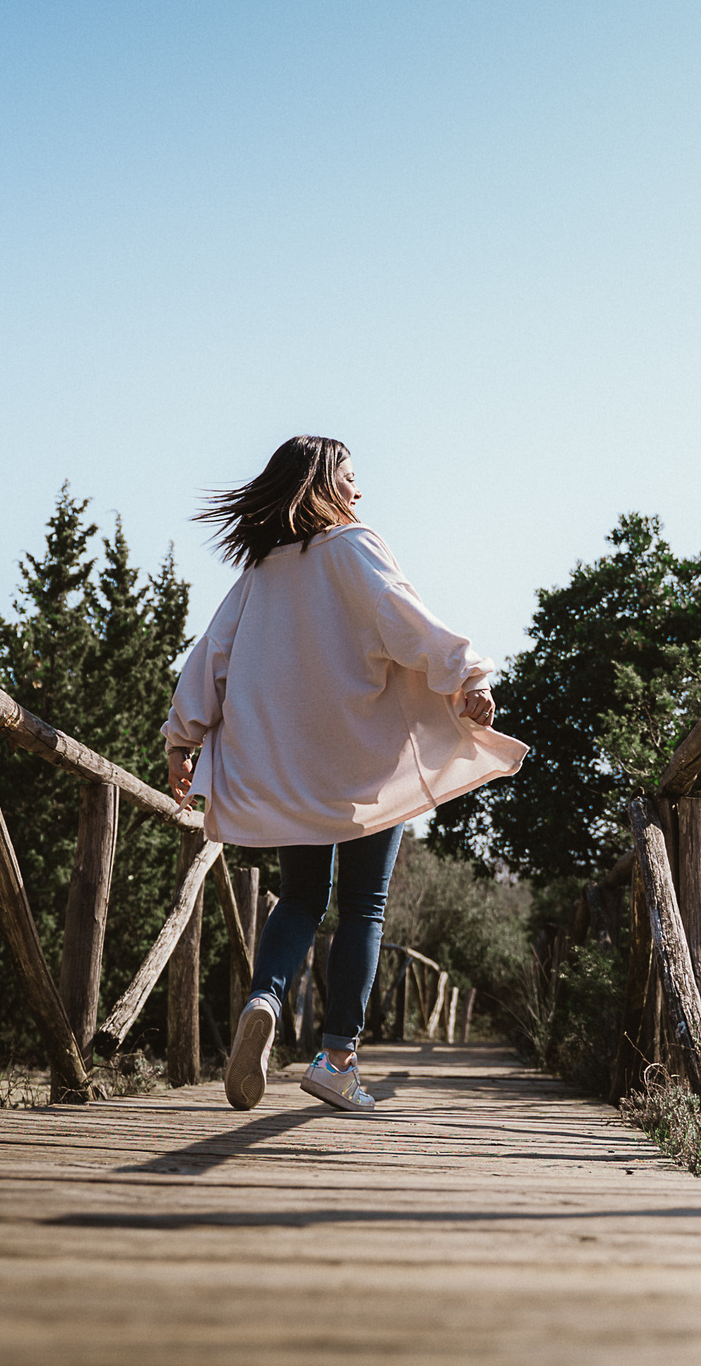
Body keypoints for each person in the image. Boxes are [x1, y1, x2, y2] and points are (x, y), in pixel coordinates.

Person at [163, 435, 526, 1113]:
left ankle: (265, 994)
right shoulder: (356, 546)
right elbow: (408, 622)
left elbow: (209, 657)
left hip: (294, 770)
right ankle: (336, 1060)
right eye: (352, 478)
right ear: (323, 484)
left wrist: (181, 741)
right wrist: (470, 675)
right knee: (363, 906)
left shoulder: (259, 574)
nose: (360, 492)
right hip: (365, 763)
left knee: (301, 897)